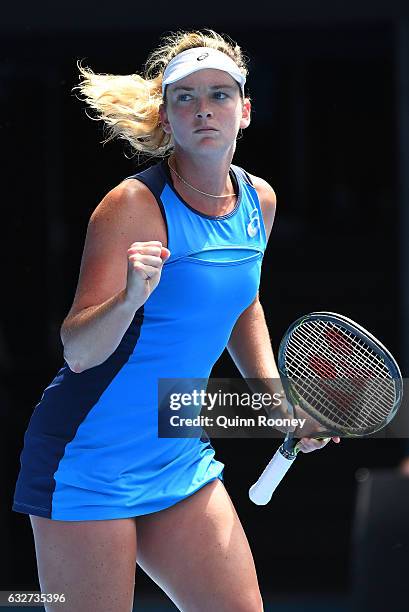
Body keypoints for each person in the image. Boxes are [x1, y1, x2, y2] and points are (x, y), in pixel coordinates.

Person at [12, 29, 339, 612]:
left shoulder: (258, 201)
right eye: (184, 98)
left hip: (177, 454)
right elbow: (79, 351)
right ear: (166, 117)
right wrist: (131, 296)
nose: (203, 109)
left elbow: (242, 302)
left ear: (245, 111)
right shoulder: (131, 206)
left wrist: (275, 402)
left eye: (218, 94)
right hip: (87, 459)